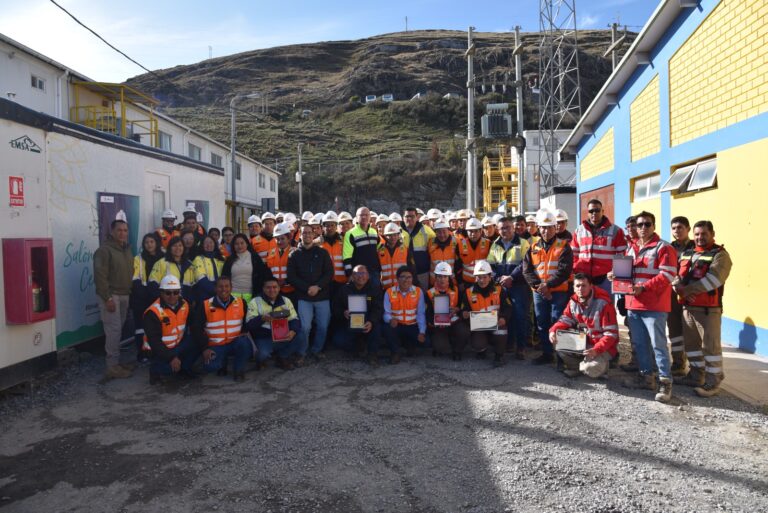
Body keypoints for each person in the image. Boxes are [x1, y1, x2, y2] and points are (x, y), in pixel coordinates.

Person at [613, 211, 677, 403]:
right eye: (639, 225)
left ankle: (665, 382)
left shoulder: (663, 248)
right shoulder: (631, 249)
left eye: (647, 224)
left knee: (658, 345)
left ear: (654, 226)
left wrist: (644, 287)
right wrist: (614, 275)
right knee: (639, 343)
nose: (643, 228)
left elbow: (667, 275)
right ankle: (646, 377)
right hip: (634, 304)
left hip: (654, 306)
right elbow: (627, 275)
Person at [673, 220, 732, 397]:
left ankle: (713, 382)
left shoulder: (720, 255)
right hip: (688, 308)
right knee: (692, 346)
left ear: (712, 234)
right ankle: (695, 376)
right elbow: (676, 274)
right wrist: (678, 287)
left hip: (708, 311)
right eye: (697, 234)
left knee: (711, 348)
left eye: (704, 234)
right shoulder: (688, 253)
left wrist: (686, 290)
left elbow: (713, 280)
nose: (699, 237)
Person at [523, 209, 574, 365]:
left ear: (555, 228)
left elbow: (564, 271)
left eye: (550, 227)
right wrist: (540, 286)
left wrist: (548, 285)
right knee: (542, 322)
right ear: (539, 228)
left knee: (558, 322)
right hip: (539, 292)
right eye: (543, 227)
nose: (546, 230)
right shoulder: (533, 248)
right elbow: (527, 270)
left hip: (558, 292)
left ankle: (561, 357)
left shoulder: (564, 246)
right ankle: (547, 353)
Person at [549, 273, 618, 378]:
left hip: (601, 347)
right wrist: (553, 330)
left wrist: (596, 350)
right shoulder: (573, 301)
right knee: (558, 341)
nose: (580, 288)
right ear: (573, 287)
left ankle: (600, 367)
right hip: (584, 342)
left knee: (590, 370)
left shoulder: (604, 303)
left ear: (591, 286)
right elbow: (565, 319)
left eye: (584, 285)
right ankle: (577, 367)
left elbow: (611, 334)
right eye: (577, 286)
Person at [94, 218, 135, 379]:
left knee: (118, 330)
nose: (123, 233)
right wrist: (107, 298)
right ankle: (112, 366)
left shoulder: (127, 249)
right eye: (119, 230)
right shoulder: (103, 251)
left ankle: (116, 363)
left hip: (125, 294)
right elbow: (100, 276)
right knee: (113, 331)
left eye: (125, 230)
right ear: (112, 232)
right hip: (111, 296)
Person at [287, 225, 334, 361]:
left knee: (323, 326)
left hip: (322, 296)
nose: (307, 235)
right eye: (304, 233)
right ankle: (302, 352)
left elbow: (329, 273)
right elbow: (292, 277)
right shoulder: (294, 254)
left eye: (309, 232)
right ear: (300, 235)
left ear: (314, 235)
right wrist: (308, 288)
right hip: (304, 297)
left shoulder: (322, 253)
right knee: (305, 327)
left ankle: (317, 350)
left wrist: (318, 287)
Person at [192, 276, 252, 382]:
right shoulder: (205, 305)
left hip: (234, 342)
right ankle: (221, 364)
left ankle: (238, 370)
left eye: (226, 286)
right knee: (210, 367)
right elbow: (196, 328)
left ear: (231, 287)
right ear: (215, 288)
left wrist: (244, 332)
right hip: (215, 345)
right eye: (220, 286)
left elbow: (246, 321)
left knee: (245, 344)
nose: (224, 289)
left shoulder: (241, 303)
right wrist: (205, 348)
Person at [487, 216, 531, 360]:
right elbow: (490, 266)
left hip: (519, 285)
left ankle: (521, 347)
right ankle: (509, 344)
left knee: (520, 316)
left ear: (513, 228)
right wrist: (499, 279)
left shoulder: (523, 243)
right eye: (502, 228)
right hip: (502, 286)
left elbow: (525, 264)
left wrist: (511, 277)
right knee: (507, 316)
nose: (505, 230)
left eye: (507, 227)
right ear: (498, 230)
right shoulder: (495, 244)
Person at [143, 275, 198, 384]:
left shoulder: (185, 305)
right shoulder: (152, 312)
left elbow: (194, 324)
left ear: (179, 292)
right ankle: (155, 371)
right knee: (168, 370)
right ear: (161, 293)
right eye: (168, 293)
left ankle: (184, 369)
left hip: (177, 344)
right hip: (159, 351)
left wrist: (206, 345)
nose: (172, 296)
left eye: (176, 292)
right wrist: (171, 357)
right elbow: (155, 342)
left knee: (197, 342)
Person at [571, 199, 627, 296]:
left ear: (602, 211)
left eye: (597, 210)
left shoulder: (616, 230)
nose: (594, 213)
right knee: (585, 309)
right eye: (591, 211)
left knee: (606, 308)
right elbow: (573, 254)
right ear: (587, 213)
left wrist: (615, 272)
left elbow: (623, 255)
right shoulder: (579, 230)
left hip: (606, 279)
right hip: (584, 279)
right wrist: (576, 271)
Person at [246, 278, 304, 370]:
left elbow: (294, 319)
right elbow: (249, 325)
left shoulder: (286, 300)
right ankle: (261, 360)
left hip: (282, 335)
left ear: (279, 288)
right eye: (268, 287)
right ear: (263, 289)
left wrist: (293, 331)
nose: (272, 290)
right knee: (262, 355)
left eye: (274, 287)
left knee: (300, 335)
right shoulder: (255, 301)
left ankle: (281, 357)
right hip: (263, 337)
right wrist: (261, 318)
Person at [332, 265, 386, 365]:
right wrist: (343, 312)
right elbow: (336, 308)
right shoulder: (344, 290)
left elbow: (378, 309)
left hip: (368, 323)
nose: (360, 276)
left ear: (368, 276)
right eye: (357, 273)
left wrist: (371, 321)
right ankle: (356, 348)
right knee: (338, 340)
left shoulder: (374, 289)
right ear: (352, 276)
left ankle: (372, 354)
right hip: (349, 324)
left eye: (363, 273)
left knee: (377, 329)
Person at [461, 260, 511, 367]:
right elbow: (464, 308)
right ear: (475, 278)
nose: (482, 280)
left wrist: (504, 318)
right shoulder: (468, 292)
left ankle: (499, 355)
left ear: (490, 276)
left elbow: (508, 307)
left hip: (496, 324)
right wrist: (464, 313)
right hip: (479, 327)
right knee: (478, 344)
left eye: (485, 277)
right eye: (479, 277)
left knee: (501, 332)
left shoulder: (499, 290)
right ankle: (482, 350)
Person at [668, 216, 695, 375]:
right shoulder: (669, 248)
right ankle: (678, 363)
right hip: (671, 296)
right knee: (675, 330)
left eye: (680, 227)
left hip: (690, 294)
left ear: (688, 229)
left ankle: (696, 368)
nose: (677, 231)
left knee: (691, 332)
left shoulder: (696, 247)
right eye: (674, 228)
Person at [382, 266, 427, 363]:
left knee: (426, 342)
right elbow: (386, 313)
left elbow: (421, 314)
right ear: (397, 279)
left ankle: (409, 346)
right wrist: (390, 319)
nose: (406, 280)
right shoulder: (389, 292)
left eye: (409, 277)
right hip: (396, 325)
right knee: (386, 329)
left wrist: (422, 331)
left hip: (412, 325)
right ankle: (395, 353)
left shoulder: (418, 292)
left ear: (412, 279)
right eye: (402, 277)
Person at [130, 232, 163, 363]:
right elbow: (135, 279)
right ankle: (142, 353)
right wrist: (145, 293)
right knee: (141, 328)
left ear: (156, 243)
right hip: (141, 298)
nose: (149, 245)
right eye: (146, 242)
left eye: (152, 242)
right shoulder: (138, 258)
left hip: (159, 297)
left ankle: (157, 352)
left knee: (158, 327)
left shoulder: (164, 258)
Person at [426, 262, 469, 360]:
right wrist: (434, 322)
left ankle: (457, 351)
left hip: (454, 321)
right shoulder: (429, 293)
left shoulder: (457, 290)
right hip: (439, 325)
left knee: (464, 331)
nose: (442, 279)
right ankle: (444, 348)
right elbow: (427, 313)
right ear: (435, 277)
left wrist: (457, 309)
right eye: (440, 277)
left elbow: (463, 307)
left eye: (445, 277)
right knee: (440, 346)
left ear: (449, 277)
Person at [221, 233, 273, 303]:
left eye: (242, 243)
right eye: (236, 244)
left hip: (251, 295)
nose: (239, 246)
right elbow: (224, 277)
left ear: (247, 244)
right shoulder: (229, 260)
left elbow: (261, 276)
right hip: (233, 295)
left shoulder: (255, 258)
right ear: (233, 246)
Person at [343, 207, 382, 287]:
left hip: (374, 272)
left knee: (374, 297)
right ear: (356, 218)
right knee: (361, 298)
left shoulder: (374, 232)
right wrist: (350, 274)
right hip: (359, 274)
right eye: (361, 215)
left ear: (370, 217)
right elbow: (347, 256)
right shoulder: (350, 234)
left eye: (366, 215)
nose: (364, 217)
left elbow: (379, 250)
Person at [148, 236, 196, 301]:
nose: (177, 248)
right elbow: (152, 284)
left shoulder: (190, 265)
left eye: (180, 245)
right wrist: (162, 300)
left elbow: (193, 286)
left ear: (184, 248)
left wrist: (191, 300)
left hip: (184, 304)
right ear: (170, 248)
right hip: (166, 302)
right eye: (174, 245)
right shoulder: (162, 263)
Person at [401, 206, 435, 291]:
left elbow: (436, 244)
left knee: (422, 296)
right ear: (403, 218)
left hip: (422, 272)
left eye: (412, 216)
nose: (409, 219)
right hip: (404, 273)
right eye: (407, 216)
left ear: (417, 217)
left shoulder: (426, 230)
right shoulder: (398, 230)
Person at [456, 217, 491, 291]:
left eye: (476, 231)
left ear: (481, 231)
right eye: (470, 231)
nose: (473, 234)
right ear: (466, 231)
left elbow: (492, 265)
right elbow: (457, 266)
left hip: (483, 283)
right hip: (466, 283)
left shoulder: (488, 244)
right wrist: (460, 282)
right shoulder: (460, 245)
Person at [378, 222, 414, 290]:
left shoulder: (405, 250)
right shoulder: (380, 251)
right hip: (385, 288)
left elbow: (412, 269)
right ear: (385, 236)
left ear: (398, 235)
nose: (393, 237)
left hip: (402, 287)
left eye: (395, 235)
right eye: (390, 235)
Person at [266, 223, 296, 300]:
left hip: (291, 291)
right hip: (274, 292)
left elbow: (298, 272)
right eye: (277, 239)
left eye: (282, 238)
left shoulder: (295, 252)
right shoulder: (270, 253)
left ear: (288, 238)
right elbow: (268, 271)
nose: (279, 241)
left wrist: (285, 281)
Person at [192, 235, 225, 303]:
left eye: (211, 242)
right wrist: (217, 291)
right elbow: (201, 279)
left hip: (221, 294)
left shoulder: (221, 259)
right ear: (202, 245)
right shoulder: (198, 259)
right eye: (206, 243)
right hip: (204, 295)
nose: (209, 245)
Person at [427, 218, 459, 287]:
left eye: (444, 231)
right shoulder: (430, 243)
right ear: (435, 232)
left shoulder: (456, 242)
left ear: (448, 231)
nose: (442, 235)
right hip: (434, 282)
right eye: (439, 232)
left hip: (451, 281)